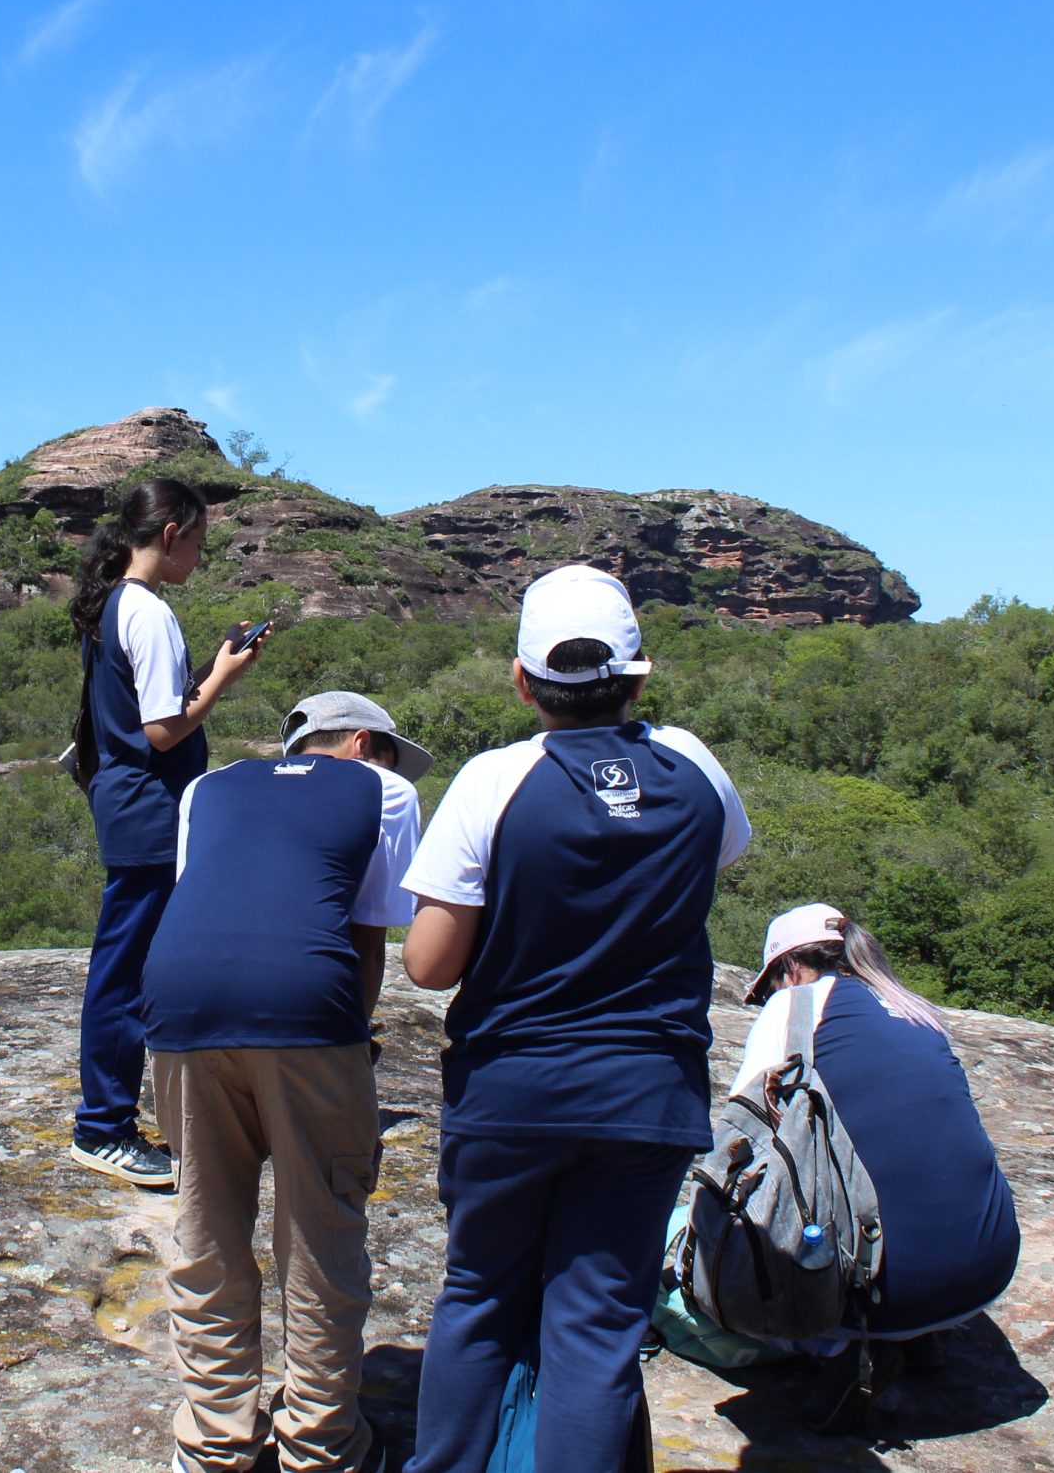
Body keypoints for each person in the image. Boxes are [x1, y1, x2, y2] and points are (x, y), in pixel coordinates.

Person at [399, 564, 753, 1473]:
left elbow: (429, 966)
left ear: (522, 681)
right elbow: (715, 860)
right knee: (598, 1327)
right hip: (649, 1095)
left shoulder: (493, 780)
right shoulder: (697, 766)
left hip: (511, 1091)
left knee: (479, 1296)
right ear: (639, 675)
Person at [140, 690, 432, 1473]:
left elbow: (201, 899)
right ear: (364, 742)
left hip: (177, 1000)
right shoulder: (386, 790)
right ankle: (320, 1445)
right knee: (318, 1234)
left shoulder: (208, 788)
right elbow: (365, 937)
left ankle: (215, 1443)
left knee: (205, 1225)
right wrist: (344, 1045)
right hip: (304, 1002)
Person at [729, 902, 1020, 1425]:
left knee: (719, 1234)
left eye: (770, 982)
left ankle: (839, 1352)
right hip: (985, 1272)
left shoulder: (791, 1007)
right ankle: (921, 1338)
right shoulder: (915, 1011)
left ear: (789, 968)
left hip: (886, 1292)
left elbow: (742, 1138)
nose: (770, 996)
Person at [66, 477, 264, 1189]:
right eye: (199, 545)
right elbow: (162, 727)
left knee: (134, 964)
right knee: (125, 973)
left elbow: (150, 709)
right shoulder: (145, 610)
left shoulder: (115, 602)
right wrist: (225, 680)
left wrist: (210, 669)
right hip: (149, 809)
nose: (200, 560)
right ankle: (103, 1127)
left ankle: (117, 1117)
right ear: (172, 533)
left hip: (135, 805)